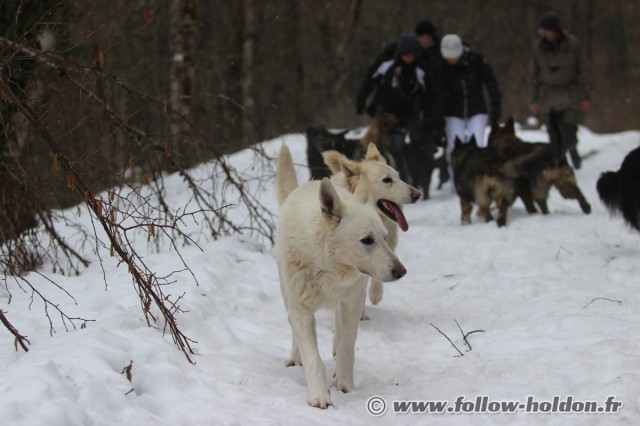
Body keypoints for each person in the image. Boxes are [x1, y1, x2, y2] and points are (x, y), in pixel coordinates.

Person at [356, 32, 427, 180]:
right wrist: (361, 100)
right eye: (405, 54)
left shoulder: (421, 69)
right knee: (372, 145)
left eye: (411, 54)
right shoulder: (386, 63)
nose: (408, 57)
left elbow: (428, 94)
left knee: (397, 147)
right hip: (383, 113)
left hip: (405, 117)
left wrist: (422, 115)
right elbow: (369, 81)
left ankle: (401, 178)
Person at [529, 11, 591, 169]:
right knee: (552, 131)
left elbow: (583, 70)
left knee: (569, 127)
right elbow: (533, 75)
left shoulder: (573, 44)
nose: (544, 34)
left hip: (569, 92)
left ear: (554, 30)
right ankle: (559, 161)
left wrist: (585, 96)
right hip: (547, 94)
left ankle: (572, 148)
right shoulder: (537, 48)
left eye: (546, 30)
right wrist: (533, 99)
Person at [440, 34, 501, 179]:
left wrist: (495, 107)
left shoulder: (476, 61)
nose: (451, 60)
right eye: (448, 58)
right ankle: (457, 179)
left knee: (477, 145)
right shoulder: (441, 67)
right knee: (454, 147)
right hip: (453, 112)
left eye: (454, 57)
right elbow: (438, 93)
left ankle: (476, 177)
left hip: (476, 109)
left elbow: (491, 83)